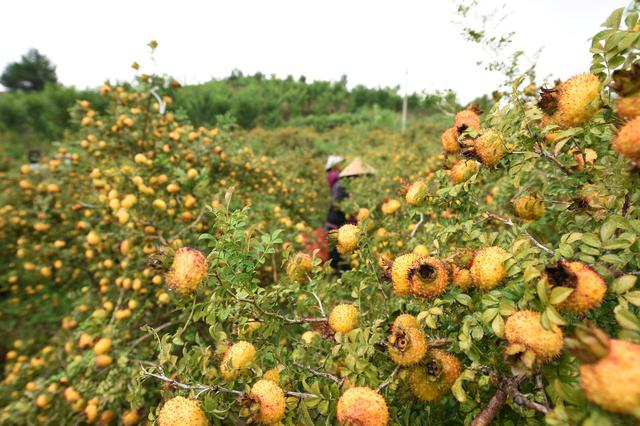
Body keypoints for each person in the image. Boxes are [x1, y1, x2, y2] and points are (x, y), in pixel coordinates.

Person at [325, 157, 376, 271]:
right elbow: (338, 206)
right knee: (338, 261)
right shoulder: (341, 186)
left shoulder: (357, 189)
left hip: (348, 229)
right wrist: (353, 210)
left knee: (349, 260)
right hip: (337, 226)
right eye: (361, 176)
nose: (364, 179)